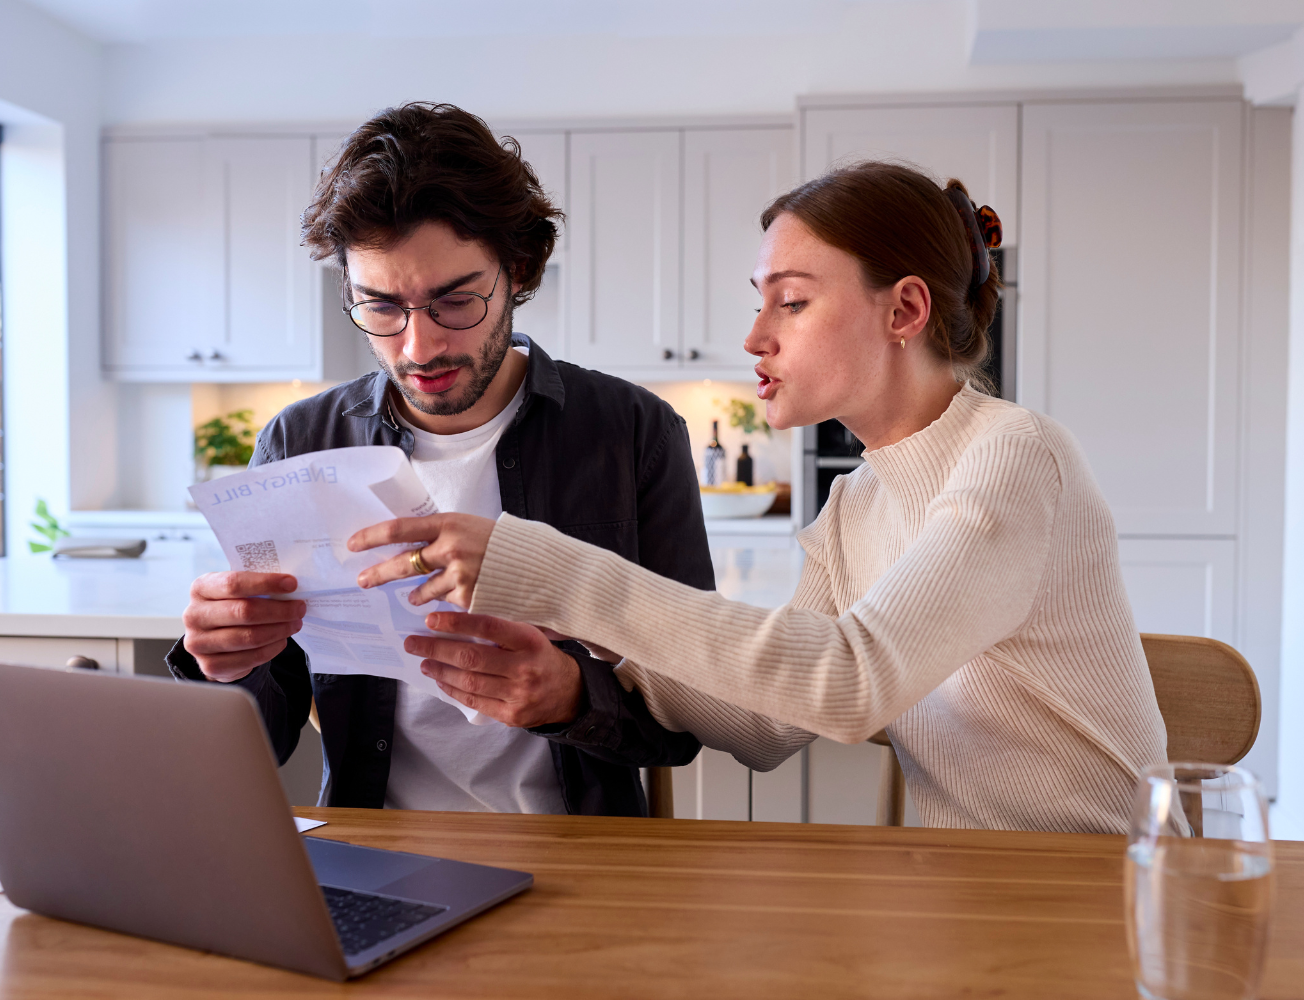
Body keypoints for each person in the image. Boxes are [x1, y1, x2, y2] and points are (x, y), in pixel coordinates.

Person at [351, 162, 1170, 834]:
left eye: (794, 300)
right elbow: (765, 727)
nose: (755, 336)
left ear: (905, 310)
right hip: (972, 900)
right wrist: (583, 644)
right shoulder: (858, 504)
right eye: (759, 298)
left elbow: (850, 685)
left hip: (1105, 897)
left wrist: (553, 571)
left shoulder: (1015, 456)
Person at [170, 103, 709, 817]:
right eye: (381, 307)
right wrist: (224, 665)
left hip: (588, 857)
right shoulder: (299, 442)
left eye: (455, 302)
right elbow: (262, 742)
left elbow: (689, 719)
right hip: (378, 846)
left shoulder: (634, 433)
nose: (418, 348)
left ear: (518, 269)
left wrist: (573, 697)